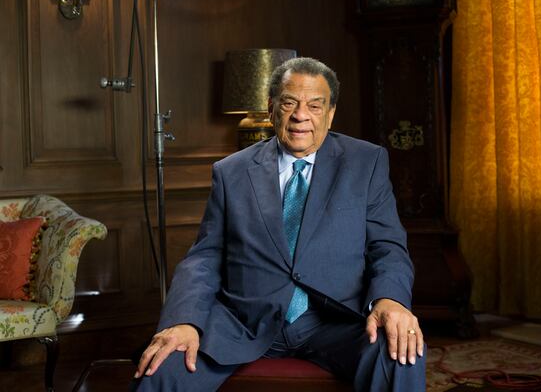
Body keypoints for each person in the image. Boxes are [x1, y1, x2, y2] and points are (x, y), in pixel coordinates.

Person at [134, 57, 426, 391]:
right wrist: (185, 321)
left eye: (315, 106)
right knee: (164, 365)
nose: (301, 115)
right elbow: (204, 258)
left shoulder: (366, 162)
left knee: (402, 352)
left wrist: (390, 301)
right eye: (289, 103)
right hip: (244, 322)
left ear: (330, 113)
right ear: (272, 108)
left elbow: (387, 248)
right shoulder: (232, 172)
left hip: (337, 322)